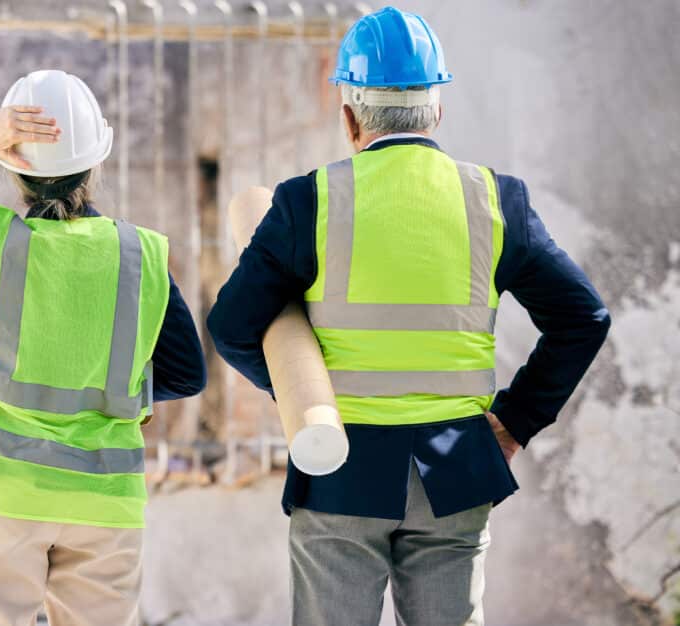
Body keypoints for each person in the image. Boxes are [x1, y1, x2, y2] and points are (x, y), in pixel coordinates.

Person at [207, 7, 610, 626]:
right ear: (437, 110)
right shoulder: (497, 201)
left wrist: (299, 391)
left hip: (340, 465)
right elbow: (584, 318)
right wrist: (516, 421)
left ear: (349, 117)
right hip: (457, 462)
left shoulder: (308, 201)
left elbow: (233, 326)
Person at [0, 69, 206, 626]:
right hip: (103, 498)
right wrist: (113, 389)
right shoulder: (140, 256)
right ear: (97, 162)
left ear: (12, 163)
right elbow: (187, 375)